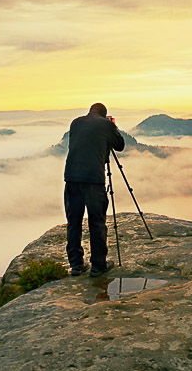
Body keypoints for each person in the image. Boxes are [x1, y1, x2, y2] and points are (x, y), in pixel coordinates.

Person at [64, 102, 125, 276]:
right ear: (104, 115)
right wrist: (113, 126)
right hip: (93, 179)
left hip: (71, 177)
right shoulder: (106, 124)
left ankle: (76, 266)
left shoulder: (75, 122)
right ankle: (98, 266)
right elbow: (119, 145)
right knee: (96, 222)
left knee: (73, 222)